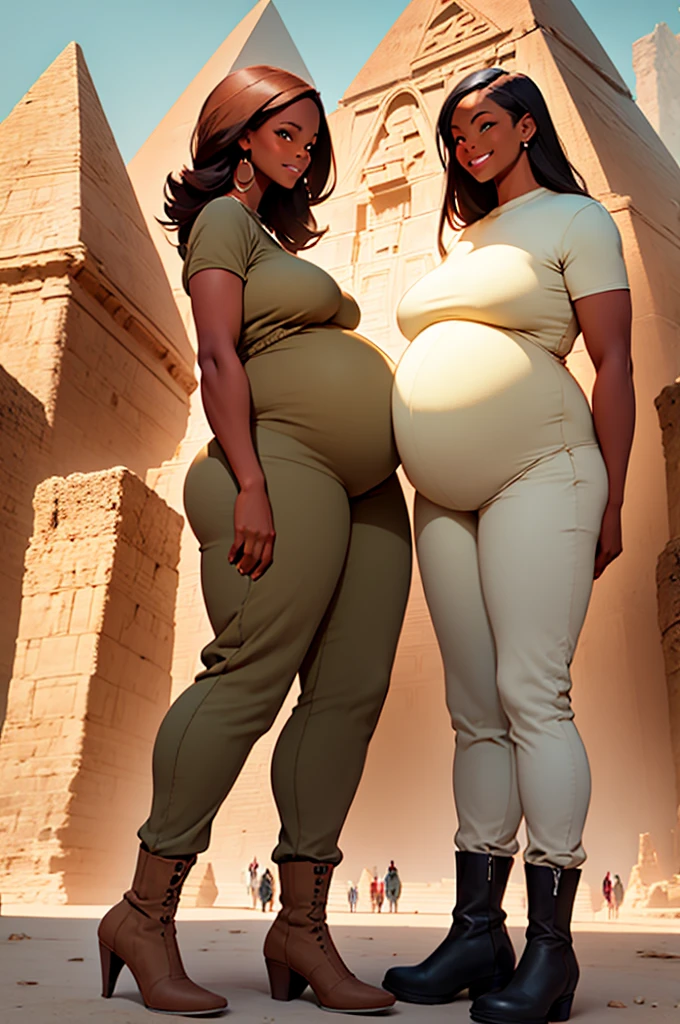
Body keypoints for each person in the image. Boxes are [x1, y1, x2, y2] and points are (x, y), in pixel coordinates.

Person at [98, 65, 412, 1018]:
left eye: (314, 138)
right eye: (288, 130)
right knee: (247, 677)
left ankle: (302, 929)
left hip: (365, 491)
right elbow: (218, 354)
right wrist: (250, 484)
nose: (305, 147)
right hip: (277, 469)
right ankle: (143, 914)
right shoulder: (221, 223)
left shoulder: (273, 234)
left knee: (350, 697)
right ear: (239, 132)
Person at [384, 67, 634, 1024]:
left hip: (545, 471)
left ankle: (553, 955)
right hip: (443, 500)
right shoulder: (467, 240)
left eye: (485, 123)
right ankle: (477, 932)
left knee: (534, 694)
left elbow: (613, 362)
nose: (467, 144)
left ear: (527, 127)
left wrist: (612, 494)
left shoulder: (578, 221)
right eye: (455, 134)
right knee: (474, 709)